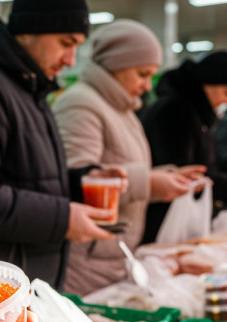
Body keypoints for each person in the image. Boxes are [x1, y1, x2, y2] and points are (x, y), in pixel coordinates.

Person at [0, 0, 123, 289]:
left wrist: (81, 180)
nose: (71, 60)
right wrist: (63, 219)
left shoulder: (30, 85)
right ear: (28, 30)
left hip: (30, 280)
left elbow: (29, 177)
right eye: (66, 42)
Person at [52, 20, 205, 296]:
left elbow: (120, 168)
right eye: (142, 74)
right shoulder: (81, 104)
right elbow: (77, 179)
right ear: (115, 65)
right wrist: (149, 183)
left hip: (113, 256)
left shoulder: (121, 108)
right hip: (86, 263)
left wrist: (165, 177)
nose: (148, 86)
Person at [140, 51, 227, 245]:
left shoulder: (197, 114)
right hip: (162, 222)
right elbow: (182, 172)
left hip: (176, 218)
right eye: (226, 93)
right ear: (206, 84)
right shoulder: (176, 111)